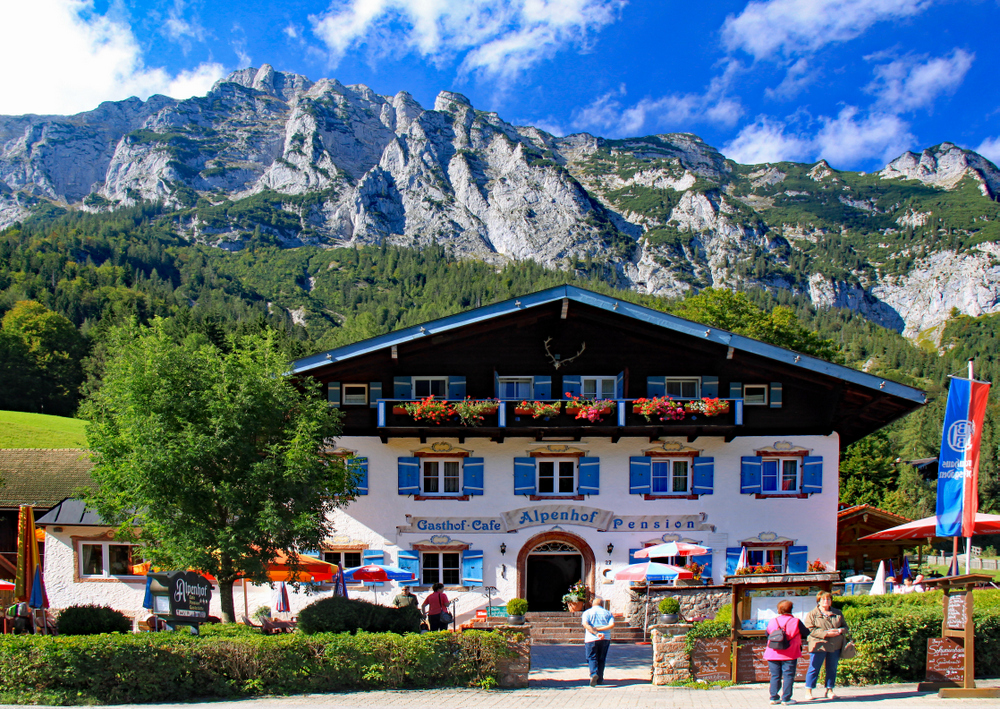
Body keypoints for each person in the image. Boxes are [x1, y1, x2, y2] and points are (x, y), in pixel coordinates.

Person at [804, 591, 849, 700]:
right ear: (818, 601)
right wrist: (825, 633)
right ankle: (809, 690)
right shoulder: (812, 614)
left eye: (828, 599)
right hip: (818, 645)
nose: (826, 601)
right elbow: (809, 629)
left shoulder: (837, 613)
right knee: (814, 667)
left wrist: (839, 631)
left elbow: (846, 628)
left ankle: (829, 689)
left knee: (832, 668)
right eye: (823, 599)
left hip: (835, 645)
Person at [764, 600, 802, 705]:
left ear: (779, 610)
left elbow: (767, 634)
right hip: (790, 653)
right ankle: (786, 699)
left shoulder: (773, 621)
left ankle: (774, 697)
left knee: (775, 675)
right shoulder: (796, 621)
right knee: (788, 675)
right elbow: (806, 632)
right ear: (791, 609)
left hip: (772, 652)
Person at [581, 597, 615, 687]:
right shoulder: (608, 613)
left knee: (591, 657)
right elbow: (612, 625)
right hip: (606, 638)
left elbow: (585, 625)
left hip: (591, 638)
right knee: (601, 658)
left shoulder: (587, 612)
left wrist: (596, 632)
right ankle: (600, 679)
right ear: (602, 604)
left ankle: (593, 674)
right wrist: (601, 629)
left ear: (592, 604)